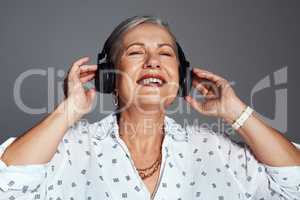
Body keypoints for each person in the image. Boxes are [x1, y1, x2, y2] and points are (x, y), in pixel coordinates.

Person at [0, 15, 299, 200]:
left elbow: (294, 186)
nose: (153, 61)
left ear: (180, 78)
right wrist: (69, 111)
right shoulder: (70, 149)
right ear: (109, 78)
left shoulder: (216, 149)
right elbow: (7, 187)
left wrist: (235, 112)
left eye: (165, 53)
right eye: (135, 52)